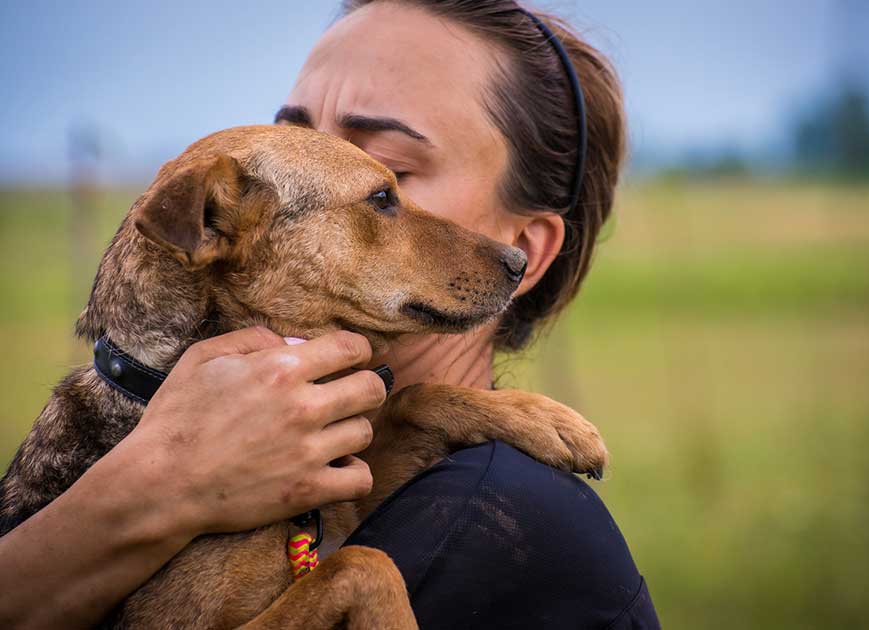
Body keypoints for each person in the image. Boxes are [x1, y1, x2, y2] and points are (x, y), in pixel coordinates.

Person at [0, 1, 659, 628]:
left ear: (523, 251)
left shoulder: (500, 527)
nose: (326, 168)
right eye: (296, 142)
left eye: (391, 173)